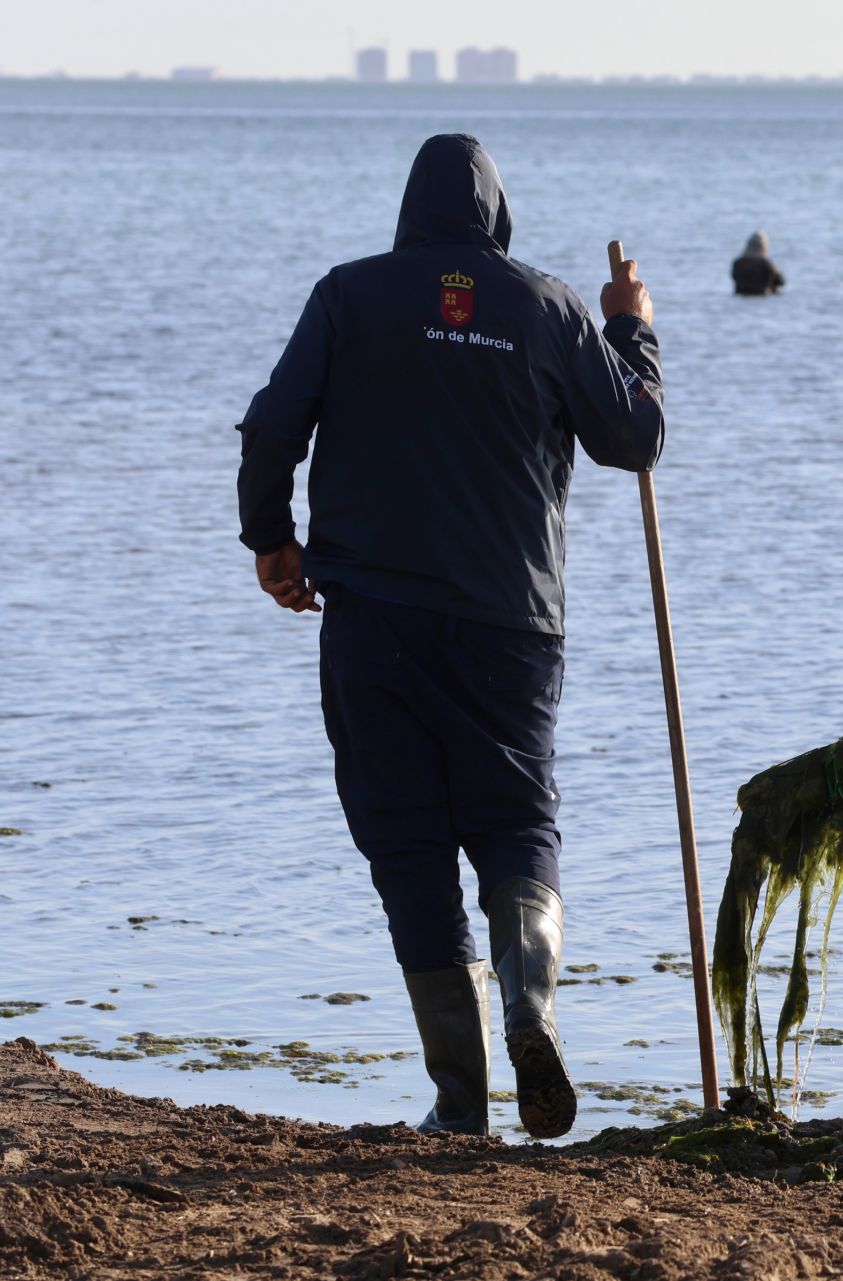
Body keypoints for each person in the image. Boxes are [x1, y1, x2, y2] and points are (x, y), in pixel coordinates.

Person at [234, 133, 665, 1141]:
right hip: (512, 629)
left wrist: (272, 541)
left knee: (409, 848)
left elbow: (269, 429)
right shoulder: (550, 306)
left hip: (374, 623)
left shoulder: (349, 295)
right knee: (518, 826)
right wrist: (632, 332)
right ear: (496, 216)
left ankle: (461, 1102)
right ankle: (531, 1009)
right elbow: (635, 440)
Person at [731, 230, 785, 295]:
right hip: (761, 295)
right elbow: (781, 282)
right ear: (763, 245)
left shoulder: (737, 263)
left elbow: (734, 277)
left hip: (741, 294)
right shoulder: (765, 263)